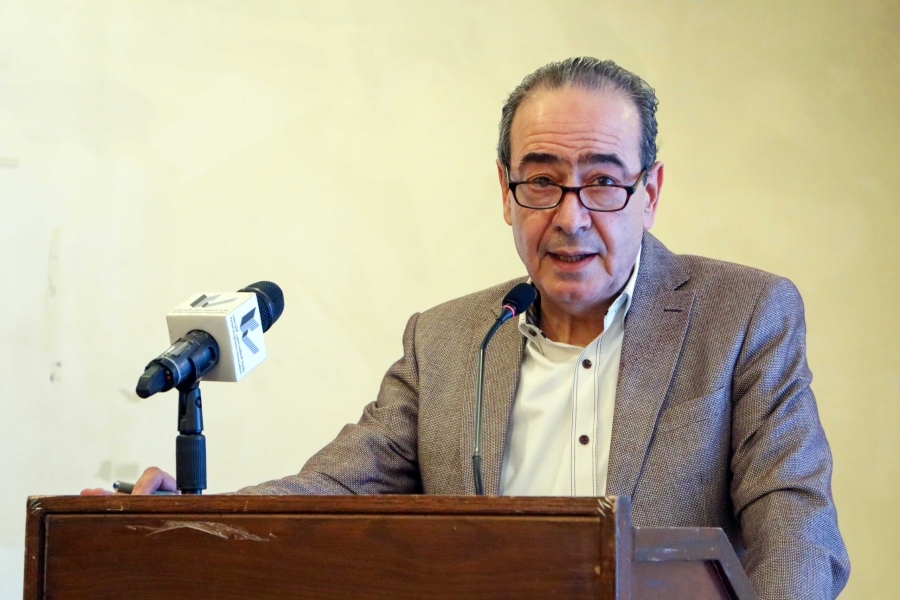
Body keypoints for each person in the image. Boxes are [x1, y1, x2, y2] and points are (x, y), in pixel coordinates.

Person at [83, 57, 849, 599]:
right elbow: (332, 493)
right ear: (506, 193)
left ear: (649, 191)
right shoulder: (448, 342)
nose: (571, 216)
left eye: (602, 182)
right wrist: (190, 521)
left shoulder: (743, 315)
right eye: (542, 180)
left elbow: (796, 524)